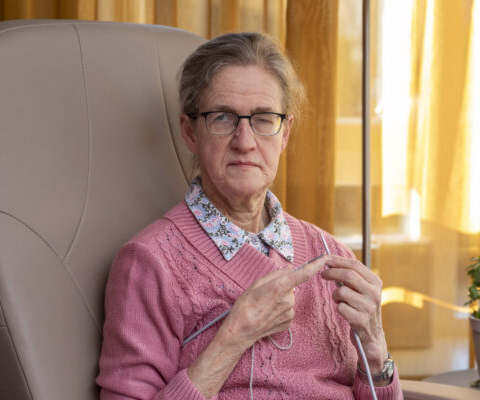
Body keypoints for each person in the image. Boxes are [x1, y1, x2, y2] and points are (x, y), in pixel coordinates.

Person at [96, 32, 402, 399]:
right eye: (223, 118)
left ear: (285, 133)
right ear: (190, 132)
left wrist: (375, 350)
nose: (245, 141)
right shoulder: (148, 264)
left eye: (263, 119)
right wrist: (234, 336)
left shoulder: (332, 255)